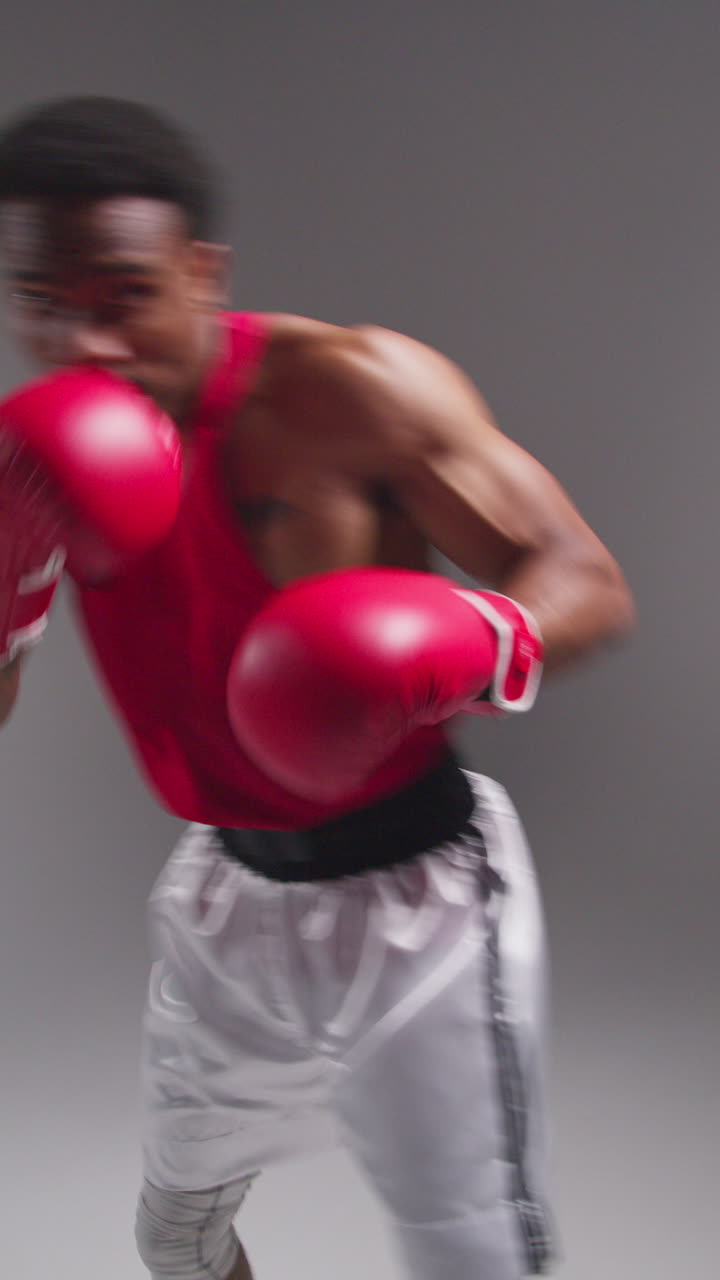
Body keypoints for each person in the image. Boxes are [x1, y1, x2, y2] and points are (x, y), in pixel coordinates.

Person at [0, 96, 634, 1280]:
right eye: (43, 306)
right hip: (223, 898)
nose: (87, 345)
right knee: (177, 1239)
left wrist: (459, 638)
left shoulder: (348, 390)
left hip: (417, 901)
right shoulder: (33, 460)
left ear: (202, 270)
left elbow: (585, 579)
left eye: (125, 295)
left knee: (478, 1258)